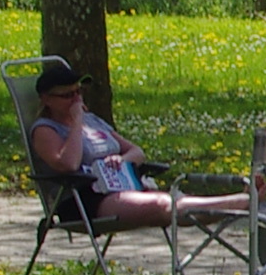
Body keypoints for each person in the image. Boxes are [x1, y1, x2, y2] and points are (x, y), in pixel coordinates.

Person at [28, 58, 251, 229]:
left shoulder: (93, 121)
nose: (77, 99)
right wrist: (77, 121)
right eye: (68, 95)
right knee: (163, 205)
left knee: (171, 205)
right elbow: (68, 164)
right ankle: (241, 202)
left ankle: (239, 202)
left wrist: (121, 159)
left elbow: (137, 152)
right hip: (84, 198)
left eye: (79, 92)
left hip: (121, 185)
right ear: (46, 99)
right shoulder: (45, 129)